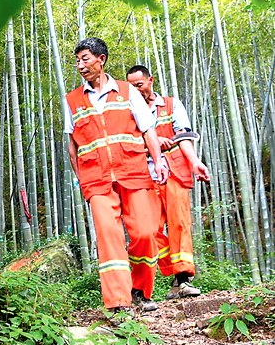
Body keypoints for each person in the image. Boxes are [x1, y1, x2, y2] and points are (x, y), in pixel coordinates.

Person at [64, 37, 168, 315]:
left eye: (85, 59)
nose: (80, 65)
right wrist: (80, 179)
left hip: (133, 172)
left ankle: (140, 290)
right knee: (109, 238)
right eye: (77, 61)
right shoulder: (72, 100)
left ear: (101, 59)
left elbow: (148, 130)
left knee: (145, 234)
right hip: (96, 179)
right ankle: (118, 303)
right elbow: (73, 147)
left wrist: (158, 162)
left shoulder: (127, 91)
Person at [126, 65, 210, 299]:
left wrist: (194, 163)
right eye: (131, 87)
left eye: (139, 85)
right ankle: (168, 269)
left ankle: (182, 280)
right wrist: (151, 142)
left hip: (173, 169)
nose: (135, 90)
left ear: (150, 80)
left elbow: (183, 136)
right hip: (143, 174)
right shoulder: (127, 110)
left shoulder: (171, 105)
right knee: (148, 230)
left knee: (179, 224)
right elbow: (126, 142)